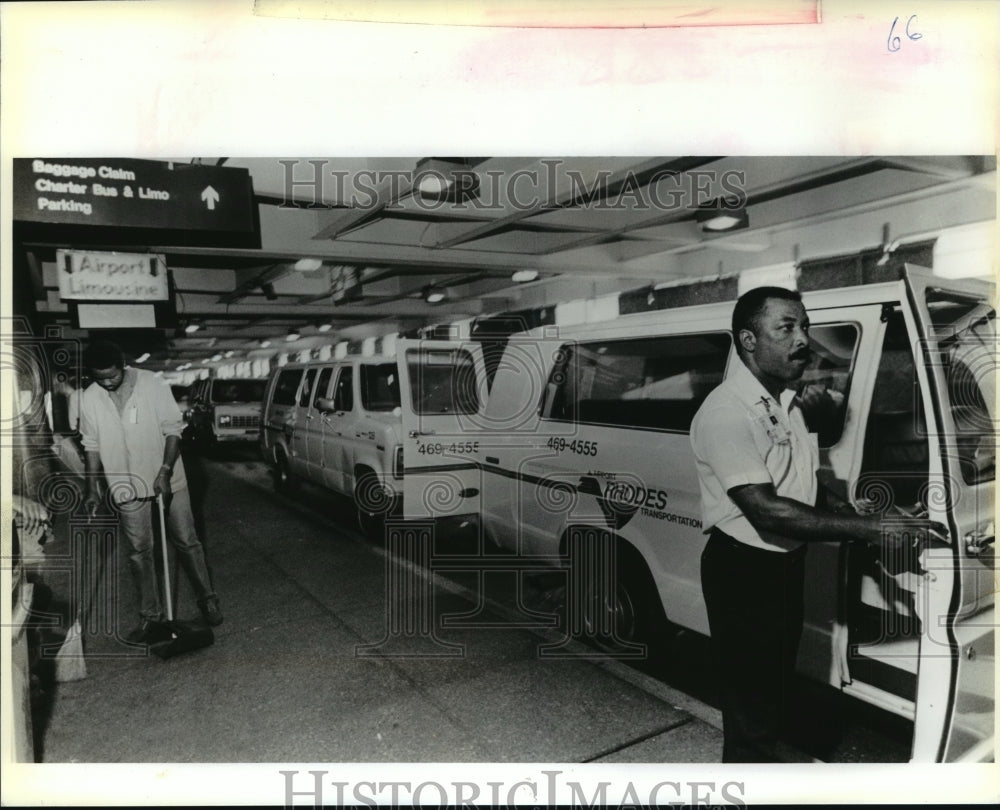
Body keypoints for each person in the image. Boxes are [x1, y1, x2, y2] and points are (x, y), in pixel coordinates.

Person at [689, 286, 944, 763]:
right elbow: (765, 508)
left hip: (782, 565)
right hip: (743, 573)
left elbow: (799, 483)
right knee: (751, 713)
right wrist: (868, 532)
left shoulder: (786, 403)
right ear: (747, 339)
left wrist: (857, 514)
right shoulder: (726, 412)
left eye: (804, 326)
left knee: (772, 691)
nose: (803, 339)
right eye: (786, 327)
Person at [79, 340, 222, 642]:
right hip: (124, 483)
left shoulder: (151, 384)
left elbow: (173, 429)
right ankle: (150, 617)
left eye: (112, 377)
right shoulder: (90, 397)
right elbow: (91, 444)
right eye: (99, 377)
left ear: (123, 367)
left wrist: (165, 471)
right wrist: (91, 487)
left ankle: (207, 599)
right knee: (138, 553)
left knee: (186, 541)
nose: (106, 383)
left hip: (166, 478)